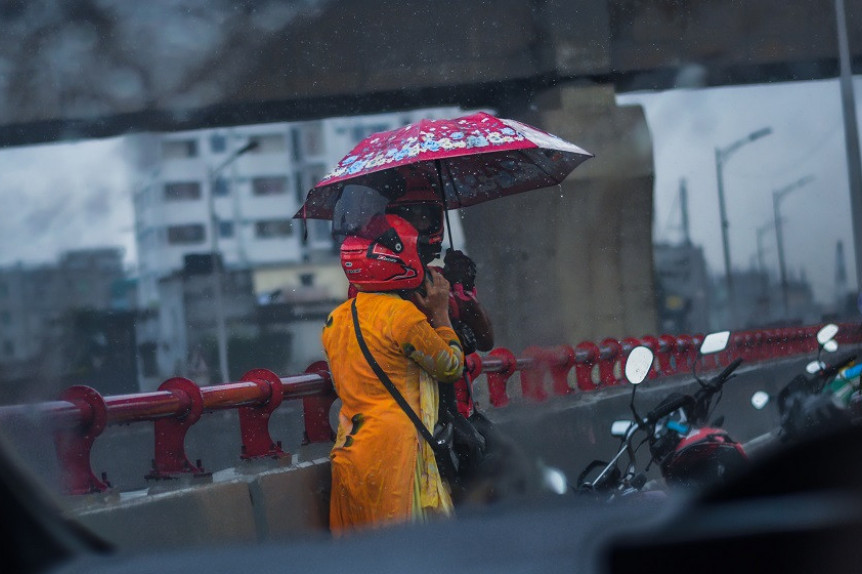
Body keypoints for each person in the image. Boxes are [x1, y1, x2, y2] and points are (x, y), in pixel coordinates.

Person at [322, 214, 465, 534]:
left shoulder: (335, 320)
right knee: (408, 553)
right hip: (397, 452)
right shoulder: (402, 317)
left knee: (364, 556)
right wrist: (441, 313)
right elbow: (451, 366)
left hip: (350, 451)